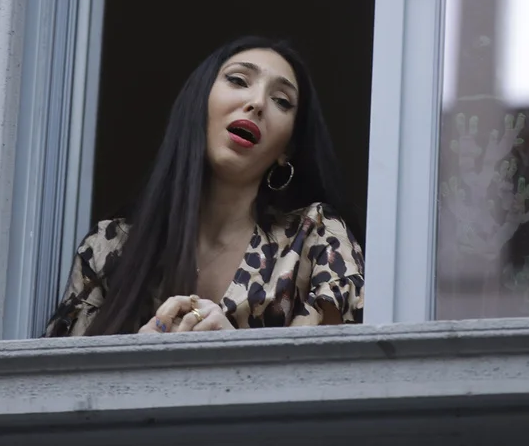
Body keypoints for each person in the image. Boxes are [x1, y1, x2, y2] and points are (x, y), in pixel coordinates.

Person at [45, 36, 365, 336]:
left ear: (287, 150)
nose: (256, 103)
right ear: (198, 104)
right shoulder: (111, 248)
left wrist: (232, 357)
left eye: (281, 100)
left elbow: (342, 379)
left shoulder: (315, 236)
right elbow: (57, 384)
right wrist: (135, 358)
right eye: (238, 80)